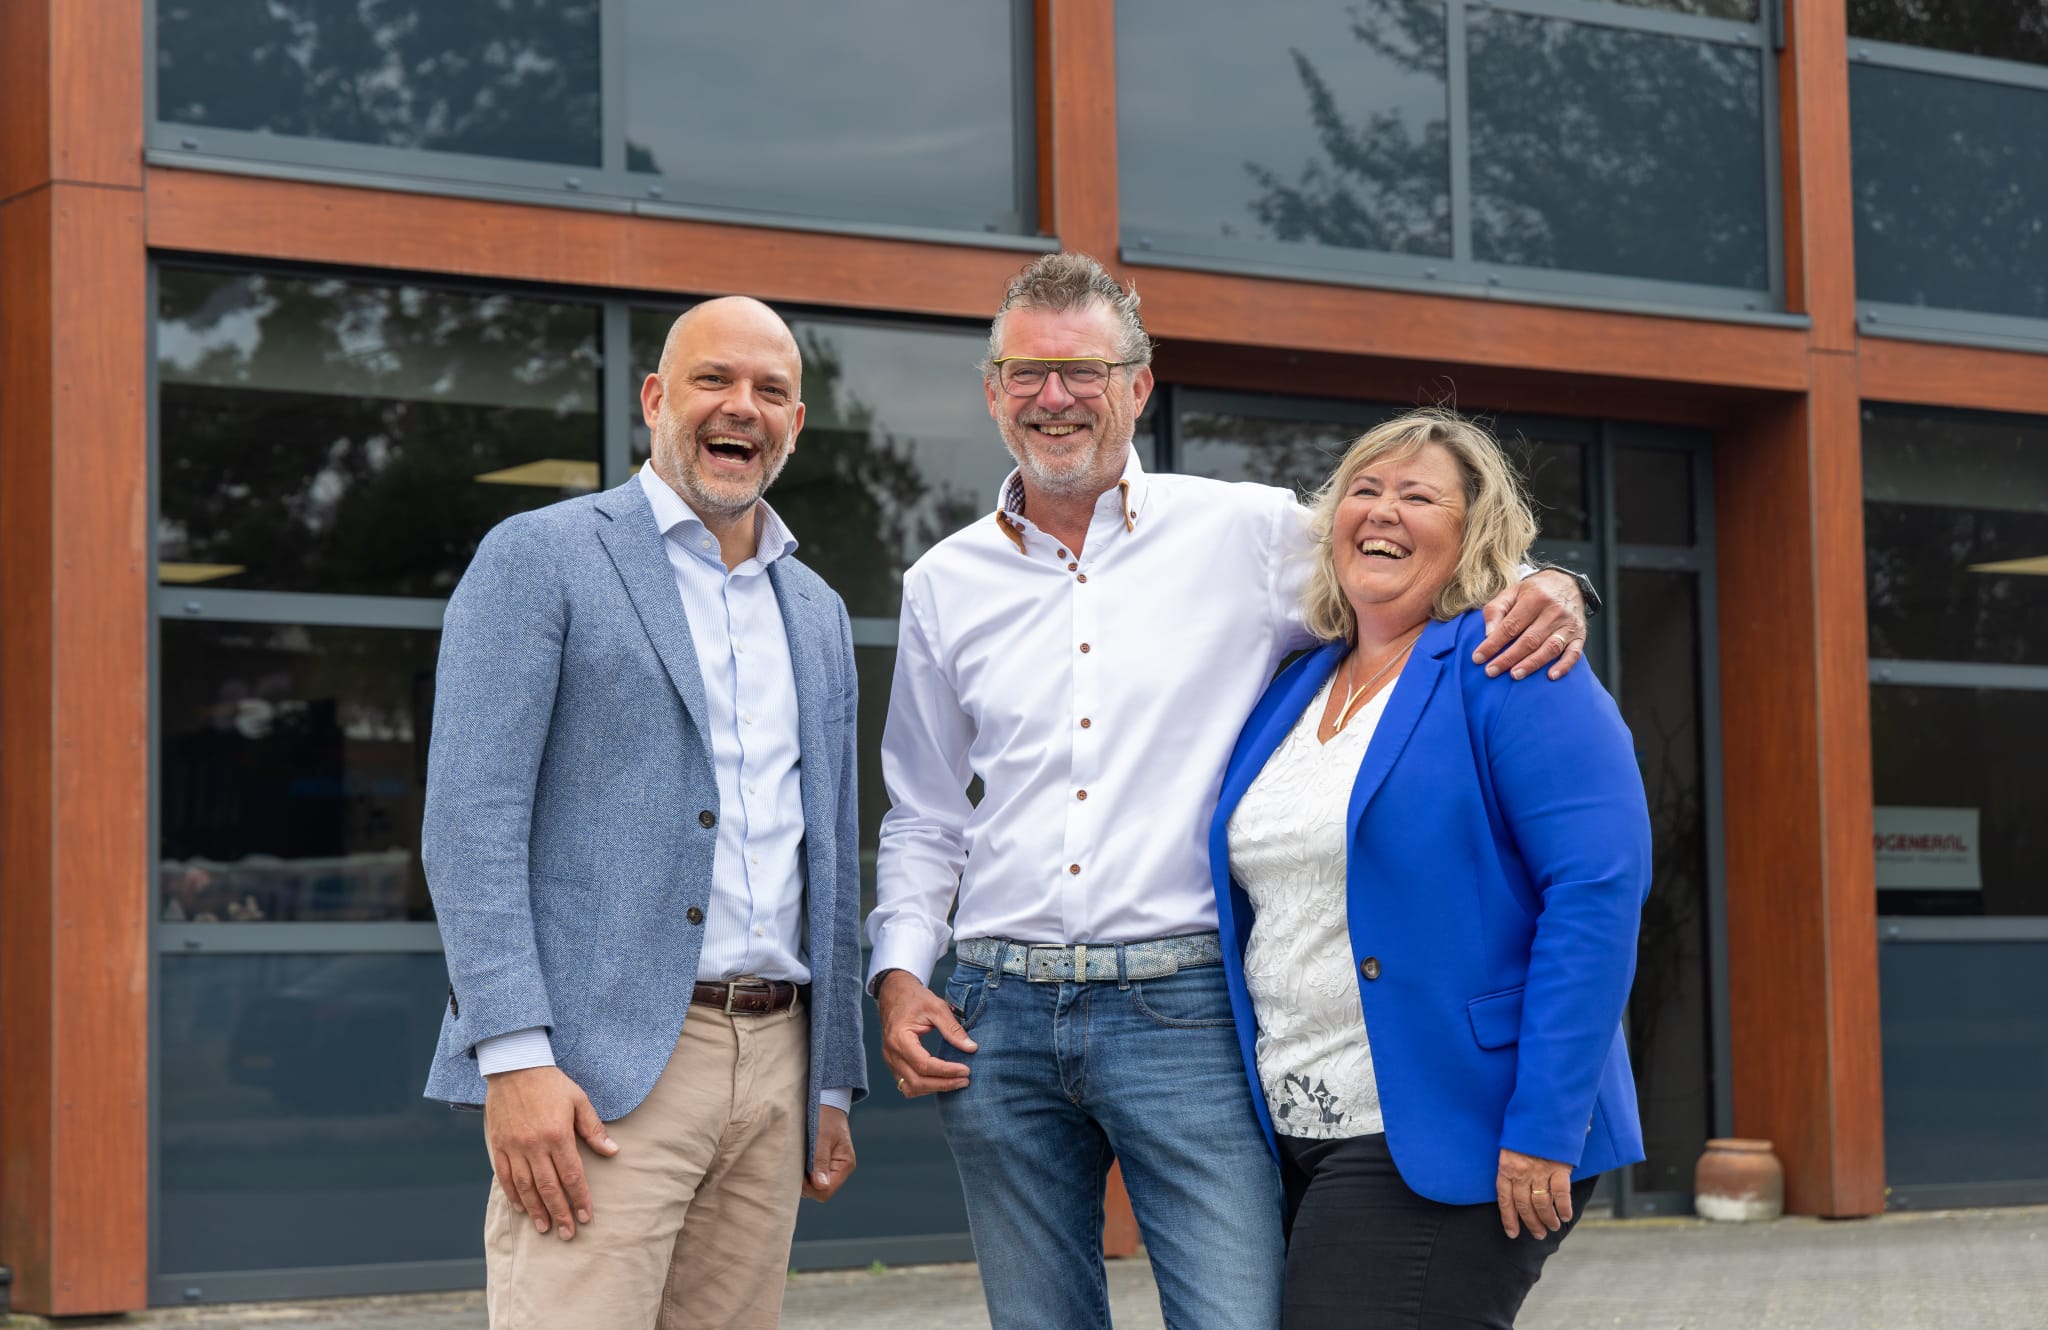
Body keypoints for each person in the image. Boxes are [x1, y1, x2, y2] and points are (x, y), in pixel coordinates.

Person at [867, 253, 1592, 1330]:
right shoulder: (942, 582)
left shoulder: (1246, 533)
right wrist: (897, 972)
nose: (1054, 396)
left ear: (1138, 385)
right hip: (994, 1013)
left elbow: (1424, 556)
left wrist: (1555, 583)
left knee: (1236, 1317)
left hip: (1183, 1006)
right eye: (1027, 372)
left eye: (1083, 371)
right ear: (992, 390)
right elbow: (925, 812)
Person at [421, 297, 866, 1329]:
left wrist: (831, 1080)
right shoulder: (540, 556)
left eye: (770, 390)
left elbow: (831, 856)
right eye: (714, 379)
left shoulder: (817, 610)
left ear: (795, 423)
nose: (742, 406)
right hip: (597, 1073)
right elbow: (470, 826)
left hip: (777, 1066)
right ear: (657, 399)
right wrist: (514, 1058)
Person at [1210, 408, 1651, 1329]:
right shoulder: (1294, 685)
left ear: (1474, 532)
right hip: (1296, 1123)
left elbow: (1596, 895)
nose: (1383, 511)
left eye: (1418, 496)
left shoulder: (1513, 665)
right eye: (1364, 490)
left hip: (1456, 1120)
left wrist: (1544, 1126)